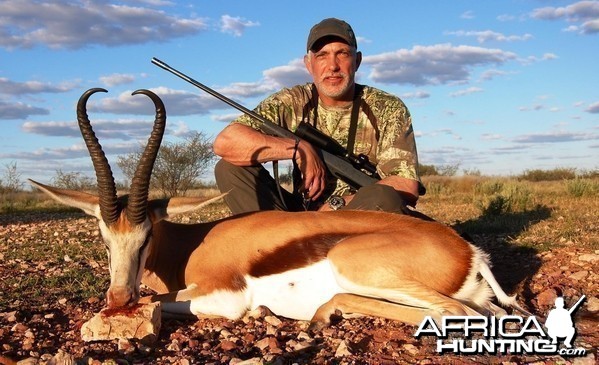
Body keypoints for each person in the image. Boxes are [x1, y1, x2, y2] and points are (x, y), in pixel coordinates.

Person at [213, 18, 425, 215]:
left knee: (383, 196)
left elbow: (406, 186)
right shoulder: (291, 101)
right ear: (308, 63)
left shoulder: (387, 107)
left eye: (342, 53)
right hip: (302, 218)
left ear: (357, 61)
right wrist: (298, 148)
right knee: (229, 168)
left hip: (357, 218)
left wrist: (332, 209)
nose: (332, 66)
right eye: (322, 55)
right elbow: (225, 142)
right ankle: (283, 246)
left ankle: (299, 250)